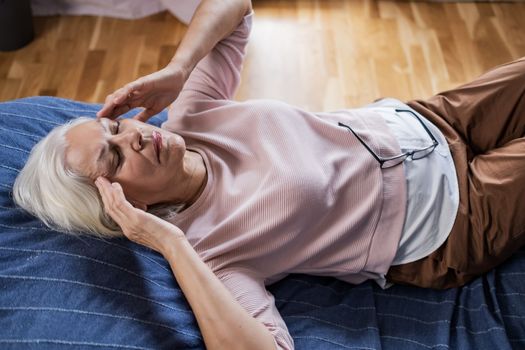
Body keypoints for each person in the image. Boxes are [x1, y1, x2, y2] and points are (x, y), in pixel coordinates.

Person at [11, 0, 525, 348]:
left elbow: (238, 6)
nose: (135, 136)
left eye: (116, 129)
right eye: (115, 158)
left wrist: (180, 68)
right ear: (123, 204)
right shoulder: (211, 252)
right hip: (455, 218)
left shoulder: (194, 115)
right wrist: (167, 244)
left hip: (430, 118)